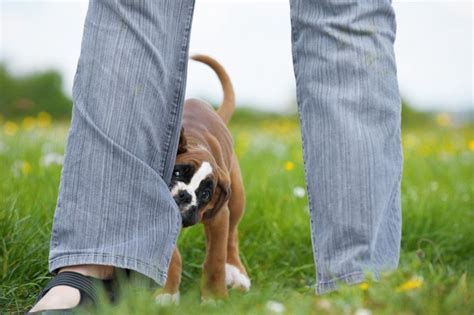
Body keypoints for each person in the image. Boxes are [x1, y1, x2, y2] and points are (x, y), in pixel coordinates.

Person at [29, 0, 402, 312]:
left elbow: (219, 209)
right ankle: (100, 259)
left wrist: (217, 265)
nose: (183, 193)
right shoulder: (182, 153)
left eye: (201, 193)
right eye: (178, 177)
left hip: (211, 146)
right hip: (191, 135)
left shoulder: (218, 182)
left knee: (347, 7)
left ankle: (358, 285)